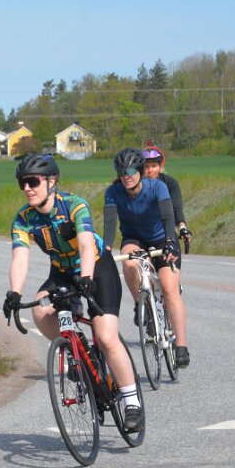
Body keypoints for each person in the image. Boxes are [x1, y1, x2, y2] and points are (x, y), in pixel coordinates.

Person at [1, 153, 143, 433]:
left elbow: (87, 245)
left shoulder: (75, 205)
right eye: (22, 183)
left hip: (96, 268)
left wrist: (87, 278)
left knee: (106, 336)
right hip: (62, 273)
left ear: (51, 181)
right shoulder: (23, 219)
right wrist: (14, 293)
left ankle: (131, 402)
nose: (27, 188)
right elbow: (20, 258)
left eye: (32, 182)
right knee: (40, 310)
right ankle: (75, 348)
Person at [103, 147, 189, 367]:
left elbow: (168, 217)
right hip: (134, 239)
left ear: (140, 171)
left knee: (169, 289)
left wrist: (171, 242)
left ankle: (181, 345)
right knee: (129, 263)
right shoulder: (113, 192)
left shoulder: (157, 187)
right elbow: (110, 224)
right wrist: (105, 249)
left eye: (131, 171)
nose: (127, 176)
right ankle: (141, 306)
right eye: (122, 172)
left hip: (162, 239)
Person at [141, 144, 191, 246]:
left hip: (165, 226)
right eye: (146, 167)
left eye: (153, 166)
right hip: (142, 228)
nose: (150, 170)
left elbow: (176, 208)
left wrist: (182, 228)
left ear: (160, 167)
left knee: (171, 250)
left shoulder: (170, 183)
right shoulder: (135, 185)